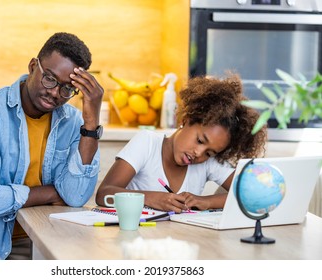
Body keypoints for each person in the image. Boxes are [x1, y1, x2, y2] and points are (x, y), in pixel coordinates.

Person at [0, 32, 104, 259]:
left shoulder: (73, 122)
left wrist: (91, 122)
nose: (54, 93)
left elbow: (75, 196)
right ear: (33, 66)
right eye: (50, 79)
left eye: (66, 89)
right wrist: (51, 192)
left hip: (49, 244)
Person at [96, 73, 267, 213]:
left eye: (209, 152)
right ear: (186, 120)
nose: (199, 153)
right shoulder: (147, 143)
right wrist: (151, 198)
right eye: (200, 140)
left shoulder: (207, 162)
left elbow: (250, 194)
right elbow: (104, 194)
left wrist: (206, 202)